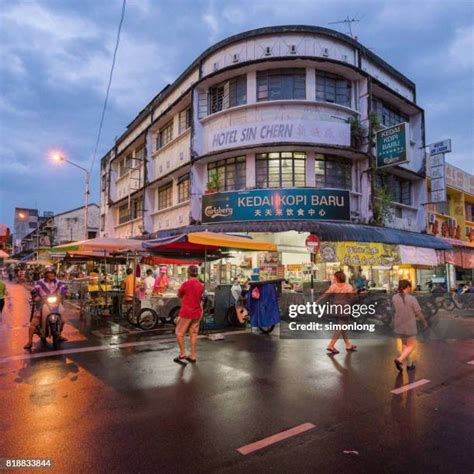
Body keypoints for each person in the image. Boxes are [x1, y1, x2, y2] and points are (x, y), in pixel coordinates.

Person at [24, 267, 68, 350]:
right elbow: (34, 290)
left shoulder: (58, 282)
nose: (51, 275)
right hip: (42, 303)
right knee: (34, 322)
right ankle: (30, 341)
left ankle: (59, 334)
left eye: (52, 273)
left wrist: (63, 294)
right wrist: (36, 296)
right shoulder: (40, 282)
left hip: (56, 302)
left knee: (63, 319)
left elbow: (64, 288)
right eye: (49, 273)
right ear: (45, 274)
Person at [393, 279, 428, 371]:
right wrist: (424, 322)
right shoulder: (412, 298)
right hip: (408, 325)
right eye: (410, 287)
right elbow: (418, 312)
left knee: (405, 344)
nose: (410, 289)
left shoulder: (394, 297)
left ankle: (409, 363)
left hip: (398, 324)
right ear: (407, 287)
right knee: (412, 345)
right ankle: (399, 359)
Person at [174, 265, 204, 365]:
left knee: (179, 332)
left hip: (186, 312)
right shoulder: (201, 285)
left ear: (188, 273)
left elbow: (179, 294)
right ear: (197, 273)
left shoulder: (186, 284)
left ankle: (183, 353)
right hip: (197, 312)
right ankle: (193, 356)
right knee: (193, 334)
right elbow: (200, 298)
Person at [324, 270, 358, 354]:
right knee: (341, 326)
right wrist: (356, 293)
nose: (333, 278)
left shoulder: (333, 286)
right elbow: (351, 297)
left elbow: (326, 295)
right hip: (344, 308)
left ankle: (348, 345)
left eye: (334, 277)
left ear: (337, 278)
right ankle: (331, 345)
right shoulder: (348, 286)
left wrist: (317, 301)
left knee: (342, 326)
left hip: (336, 307)